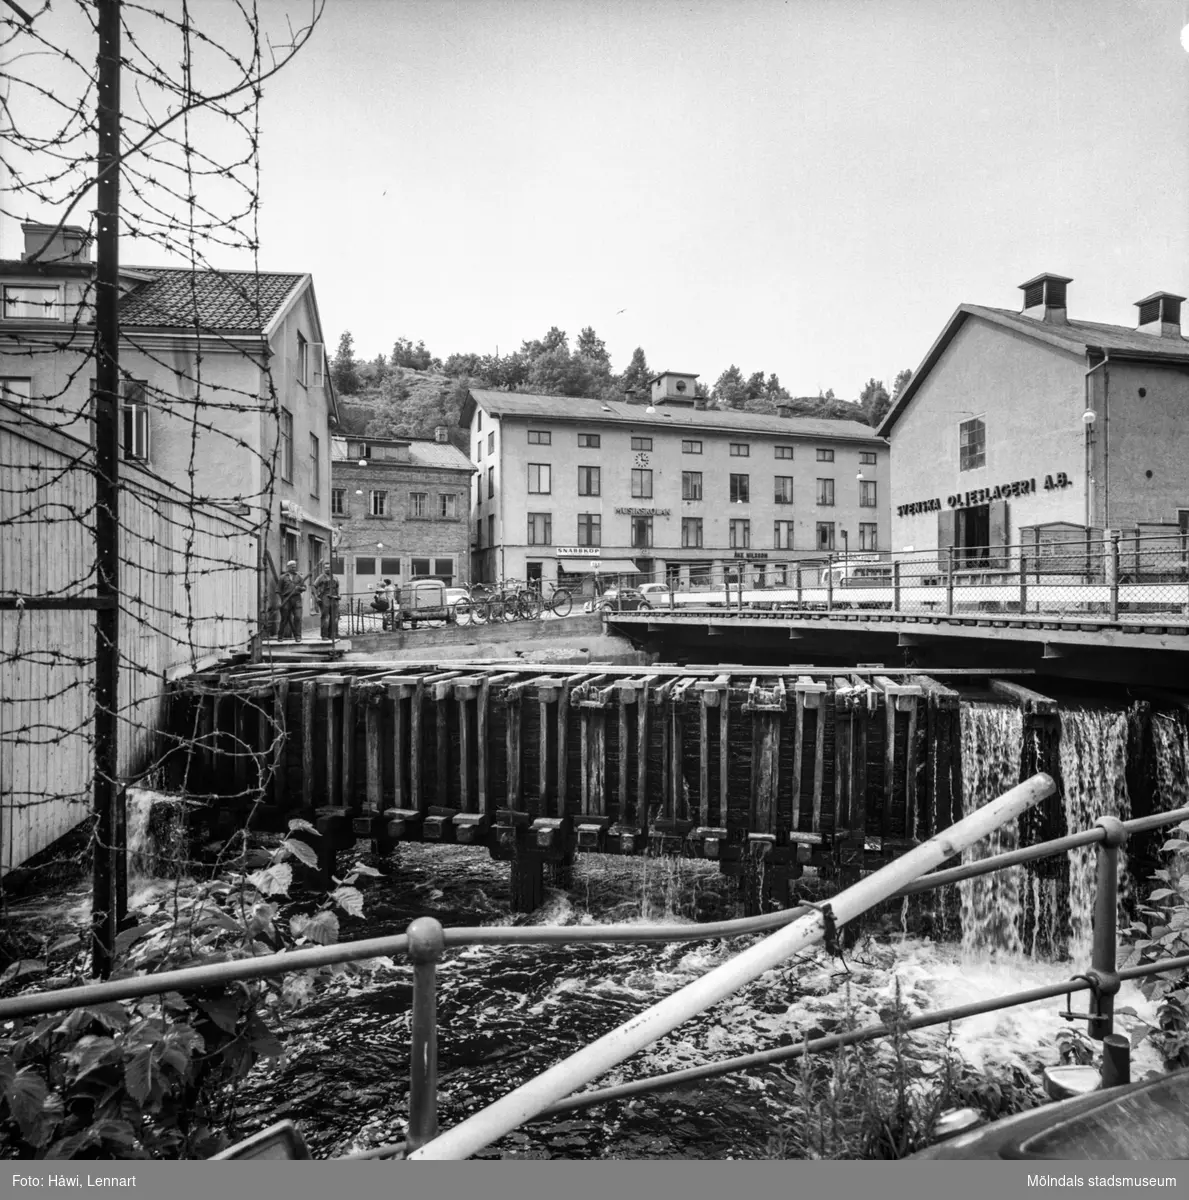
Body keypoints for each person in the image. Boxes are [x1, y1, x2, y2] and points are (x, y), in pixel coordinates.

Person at [277, 560, 306, 641]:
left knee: (298, 617)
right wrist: (280, 601)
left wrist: (300, 588)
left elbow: (304, 587)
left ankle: (298, 636)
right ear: (288, 567)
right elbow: (278, 590)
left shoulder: (299, 577)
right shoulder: (283, 577)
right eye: (292, 567)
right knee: (284, 618)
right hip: (286, 599)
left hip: (297, 599)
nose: (294, 568)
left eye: (295, 567)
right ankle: (280, 636)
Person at [312, 562, 339, 639]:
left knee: (334, 617)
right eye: (326, 568)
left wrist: (339, 595)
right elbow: (313, 586)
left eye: (329, 567)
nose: (327, 569)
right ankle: (324, 635)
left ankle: (333, 634)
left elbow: (337, 587)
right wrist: (316, 597)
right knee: (325, 617)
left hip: (334, 598)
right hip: (325, 597)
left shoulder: (335, 577)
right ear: (324, 569)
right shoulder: (321, 577)